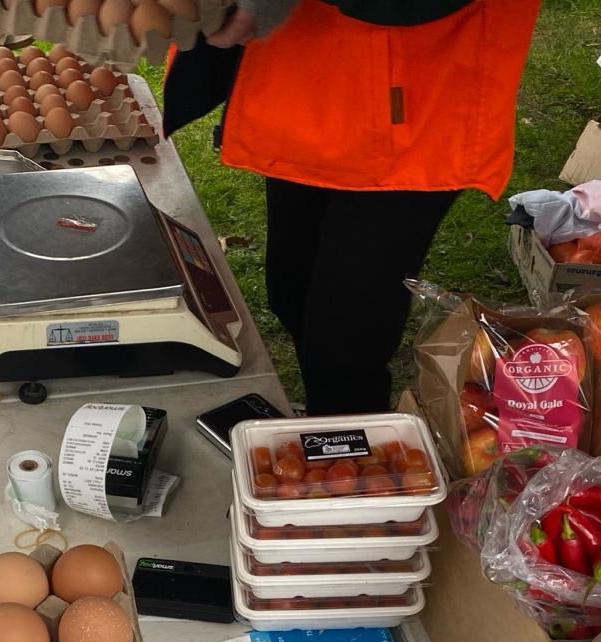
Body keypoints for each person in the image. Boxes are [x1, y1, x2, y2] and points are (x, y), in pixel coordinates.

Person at [170, 0, 541, 415]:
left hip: (413, 96)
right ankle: (328, 415)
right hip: (312, 85)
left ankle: (349, 436)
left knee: (344, 342)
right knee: (292, 291)